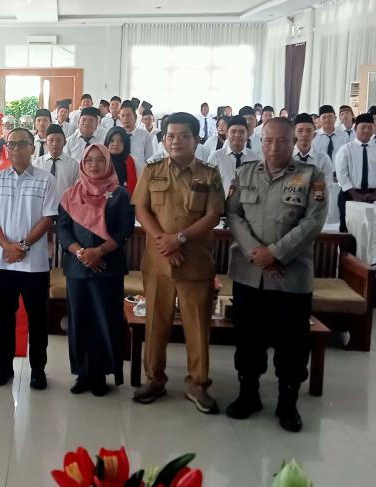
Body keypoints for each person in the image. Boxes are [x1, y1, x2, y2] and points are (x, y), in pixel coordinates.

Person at [225, 117, 327, 432]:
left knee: (292, 343)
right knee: (247, 338)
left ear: (294, 141)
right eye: (268, 140)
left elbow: (313, 221)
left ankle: (288, 402)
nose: (274, 146)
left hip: (290, 276)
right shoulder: (244, 174)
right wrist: (257, 252)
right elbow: (233, 213)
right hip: (249, 273)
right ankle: (249, 394)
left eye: (282, 140)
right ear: (261, 140)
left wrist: (276, 253)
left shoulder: (312, 176)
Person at [130, 112, 224, 414]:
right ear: (163, 139)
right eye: (170, 136)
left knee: (197, 327)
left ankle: (198, 384)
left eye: (184, 136)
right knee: (156, 323)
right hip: (158, 261)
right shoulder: (153, 169)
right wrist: (164, 241)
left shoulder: (209, 174)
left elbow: (213, 215)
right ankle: (154, 378)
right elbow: (141, 208)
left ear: (196, 139)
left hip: (194, 261)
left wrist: (180, 239)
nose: (176, 141)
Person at [0, 128, 58, 390]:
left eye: (21, 144)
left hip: (34, 263)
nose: (15, 149)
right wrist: (6, 246)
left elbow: (48, 218)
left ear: (32, 148)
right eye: (11, 144)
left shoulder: (46, 180)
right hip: (3, 262)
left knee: (37, 318)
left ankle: (38, 369)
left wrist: (23, 246)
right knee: (5, 316)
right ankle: (4, 366)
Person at [57, 143, 134, 395]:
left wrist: (99, 252)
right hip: (77, 268)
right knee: (79, 320)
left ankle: (100, 373)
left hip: (107, 267)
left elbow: (125, 230)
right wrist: (81, 252)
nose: (94, 164)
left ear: (109, 162)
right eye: (89, 160)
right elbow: (63, 229)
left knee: (105, 319)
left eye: (100, 159)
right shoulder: (71, 193)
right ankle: (82, 373)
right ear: (82, 163)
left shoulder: (120, 194)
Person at [336, 113, 376, 232]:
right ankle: (346, 251)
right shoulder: (345, 149)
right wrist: (355, 195)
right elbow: (342, 176)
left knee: (371, 231)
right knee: (348, 229)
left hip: (373, 195)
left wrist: (374, 195)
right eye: (363, 127)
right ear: (355, 128)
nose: (366, 130)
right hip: (349, 195)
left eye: (370, 127)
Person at [207, 116, 261, 195]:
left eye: (241, 132)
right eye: (233, 131)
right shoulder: (215, 157)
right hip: (222, 204)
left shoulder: (255, 159)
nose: (237, 135)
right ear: (227, 134)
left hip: (248, 204)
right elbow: (208, 186)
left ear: (247, 136)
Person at [33, 124, 80, 202]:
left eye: (59, 140)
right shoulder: (37, 164)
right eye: (51, 140)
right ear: (46, 142)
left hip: (65, 208)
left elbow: (77, 190)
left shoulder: (73, 165)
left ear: (65, 142)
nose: (54, 143)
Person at [293, 113, 335, 187]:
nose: (304, 134)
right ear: (293, 134)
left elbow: (328, 186)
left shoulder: (323, 159)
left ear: (314, 135)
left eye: (309, 131)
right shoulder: (286, 158)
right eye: (300, 131)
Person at [119, 100, 154, 172]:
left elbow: (150, 160)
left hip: (140, 177)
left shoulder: (145, 136)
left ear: (135, 117)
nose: (125, 118)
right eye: (123, 115)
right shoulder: (117, 135)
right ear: (120, 118)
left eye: (128, 115)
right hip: (120, 176)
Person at [104, 126, 138, 195]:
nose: (115, 144)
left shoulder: (133, 162)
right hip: (102, 201)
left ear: (125, 144)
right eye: (112, 141)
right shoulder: (101, 160)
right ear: (107, 142)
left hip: (126, 202)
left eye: (120, 141)